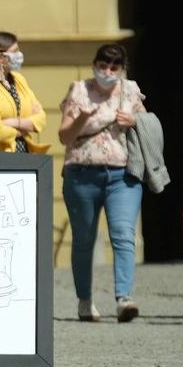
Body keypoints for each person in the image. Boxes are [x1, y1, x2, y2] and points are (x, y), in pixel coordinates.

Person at [58, 43, 147, 323]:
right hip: (82, 173)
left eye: (113, 67)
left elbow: (148, 126)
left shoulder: (131, 90)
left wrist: (134, 120)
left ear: (122, 69)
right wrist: (82, 118)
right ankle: (85, 301)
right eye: (102, 65)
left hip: (123, 174)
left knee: (122, 234)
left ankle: (124, 299)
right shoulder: (79, 90)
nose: (106, 71)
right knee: (84, 240)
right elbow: (64, 136)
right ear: (94, 64)